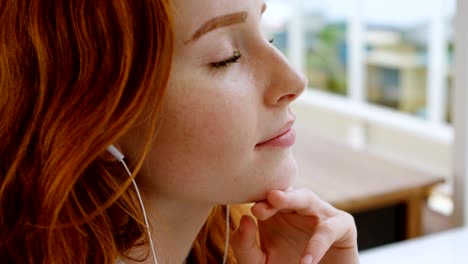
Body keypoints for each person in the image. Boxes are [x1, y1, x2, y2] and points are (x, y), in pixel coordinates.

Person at [0, 0, 359, 263]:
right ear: (96, 115)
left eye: (269, 37)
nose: (294, 80)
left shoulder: (232, 246)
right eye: (226, 56)